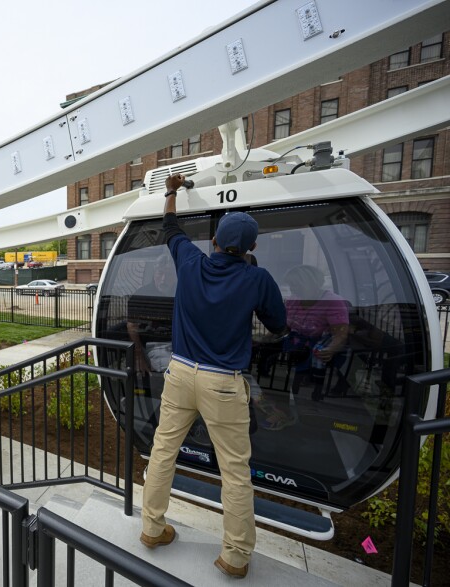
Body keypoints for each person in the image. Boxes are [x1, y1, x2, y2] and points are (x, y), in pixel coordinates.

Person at [139, 174, 287, 579]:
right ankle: (235, 556)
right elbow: (278, 325)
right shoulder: (256, 279)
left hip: (181, 373)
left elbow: (170, 227)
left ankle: (152, 529)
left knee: (164, 450)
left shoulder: (189, 261)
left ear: (215, 242)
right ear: (252, 248)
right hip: (223, 383)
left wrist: (171, 192)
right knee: (235, 471)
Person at [283, 265, 350, 403]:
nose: (292, 289)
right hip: (298, 342)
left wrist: (331, 349)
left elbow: (340, 334)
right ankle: (292, 390)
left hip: (320, 341)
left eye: (295, 285)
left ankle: (316, 389)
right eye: (291, 285)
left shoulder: (333, 302)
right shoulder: (292, 300)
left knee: (318, 352)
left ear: (310, 283)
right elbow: (285, 327)